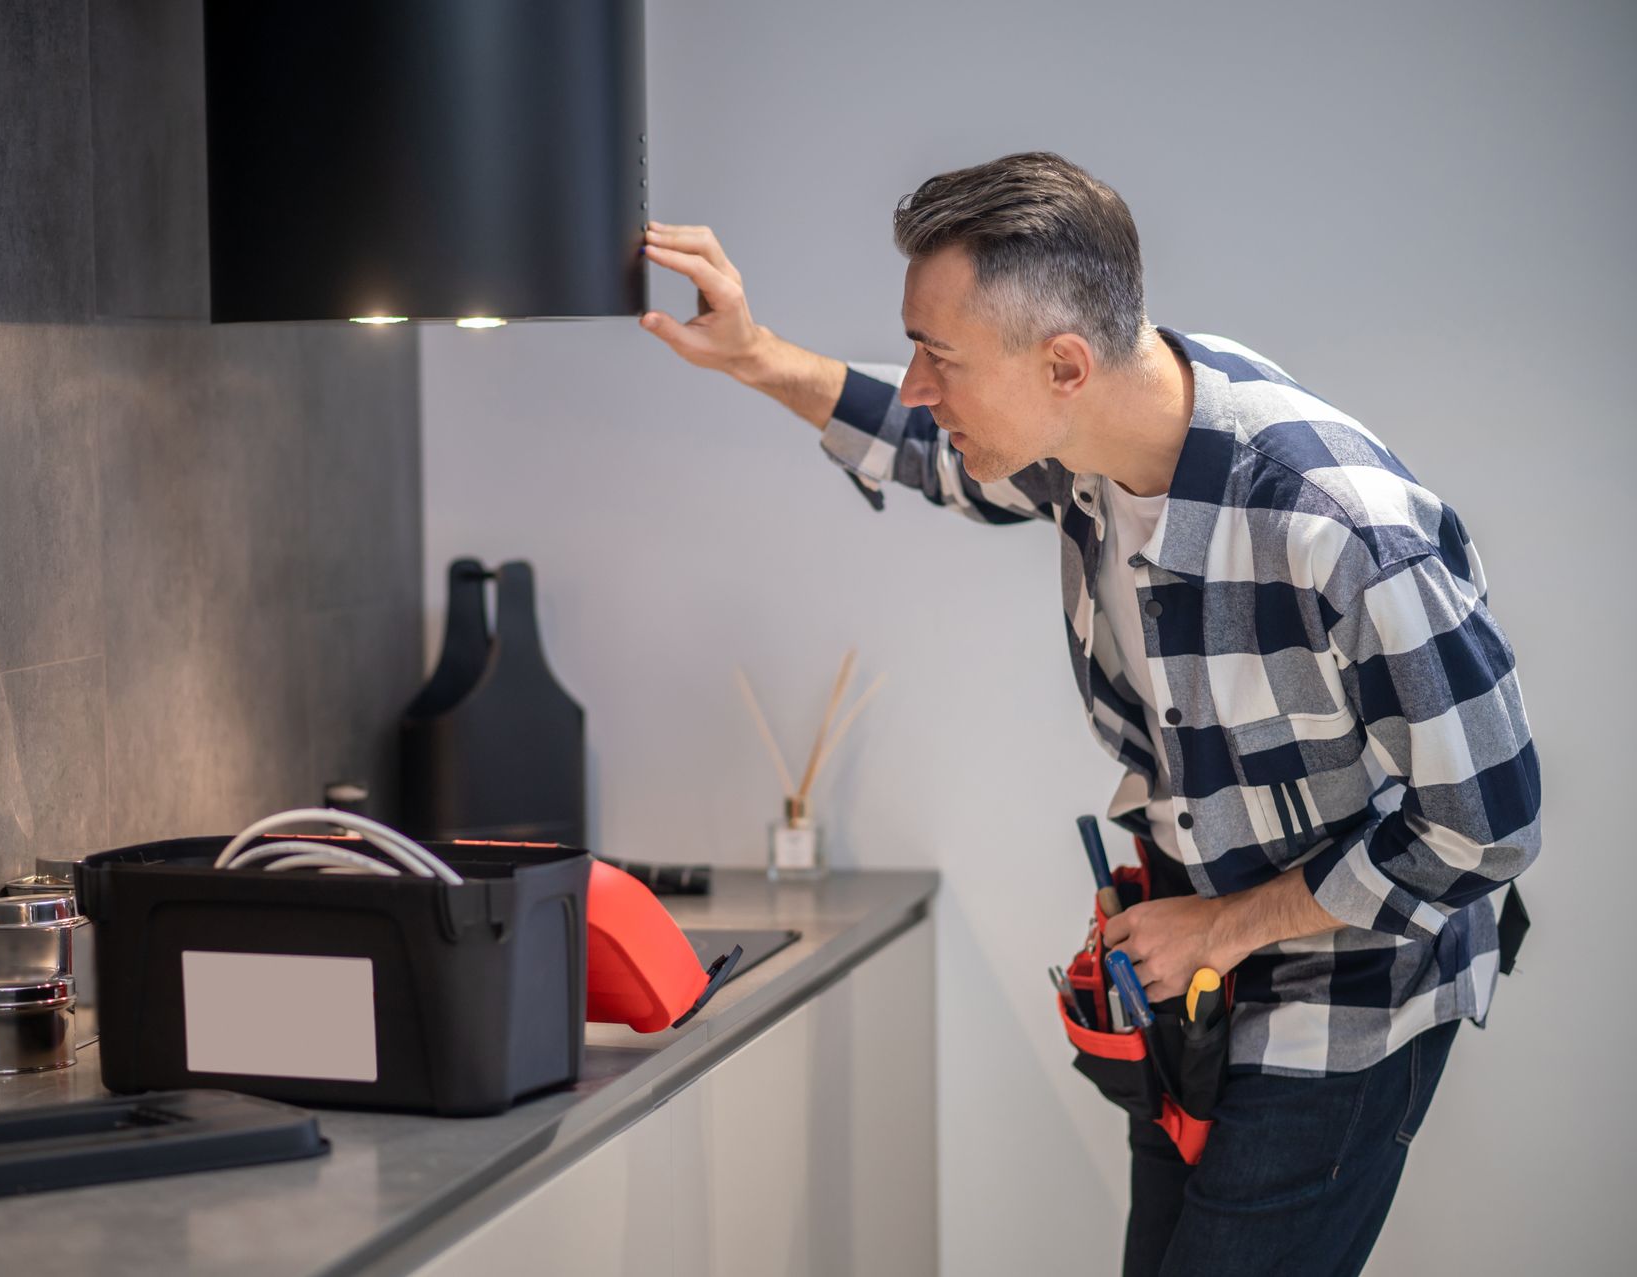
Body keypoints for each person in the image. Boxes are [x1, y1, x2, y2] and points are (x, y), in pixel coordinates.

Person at [637, 151, 1539, 1277]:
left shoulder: (1340, 529)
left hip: (1349, 1000)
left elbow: (1487, 824)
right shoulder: (1088, 446)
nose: (918, 382)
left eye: (939, 354)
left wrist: (1223, 926)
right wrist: (757, 356)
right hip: (1191, 984)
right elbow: (933, 451)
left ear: (1064, 361)